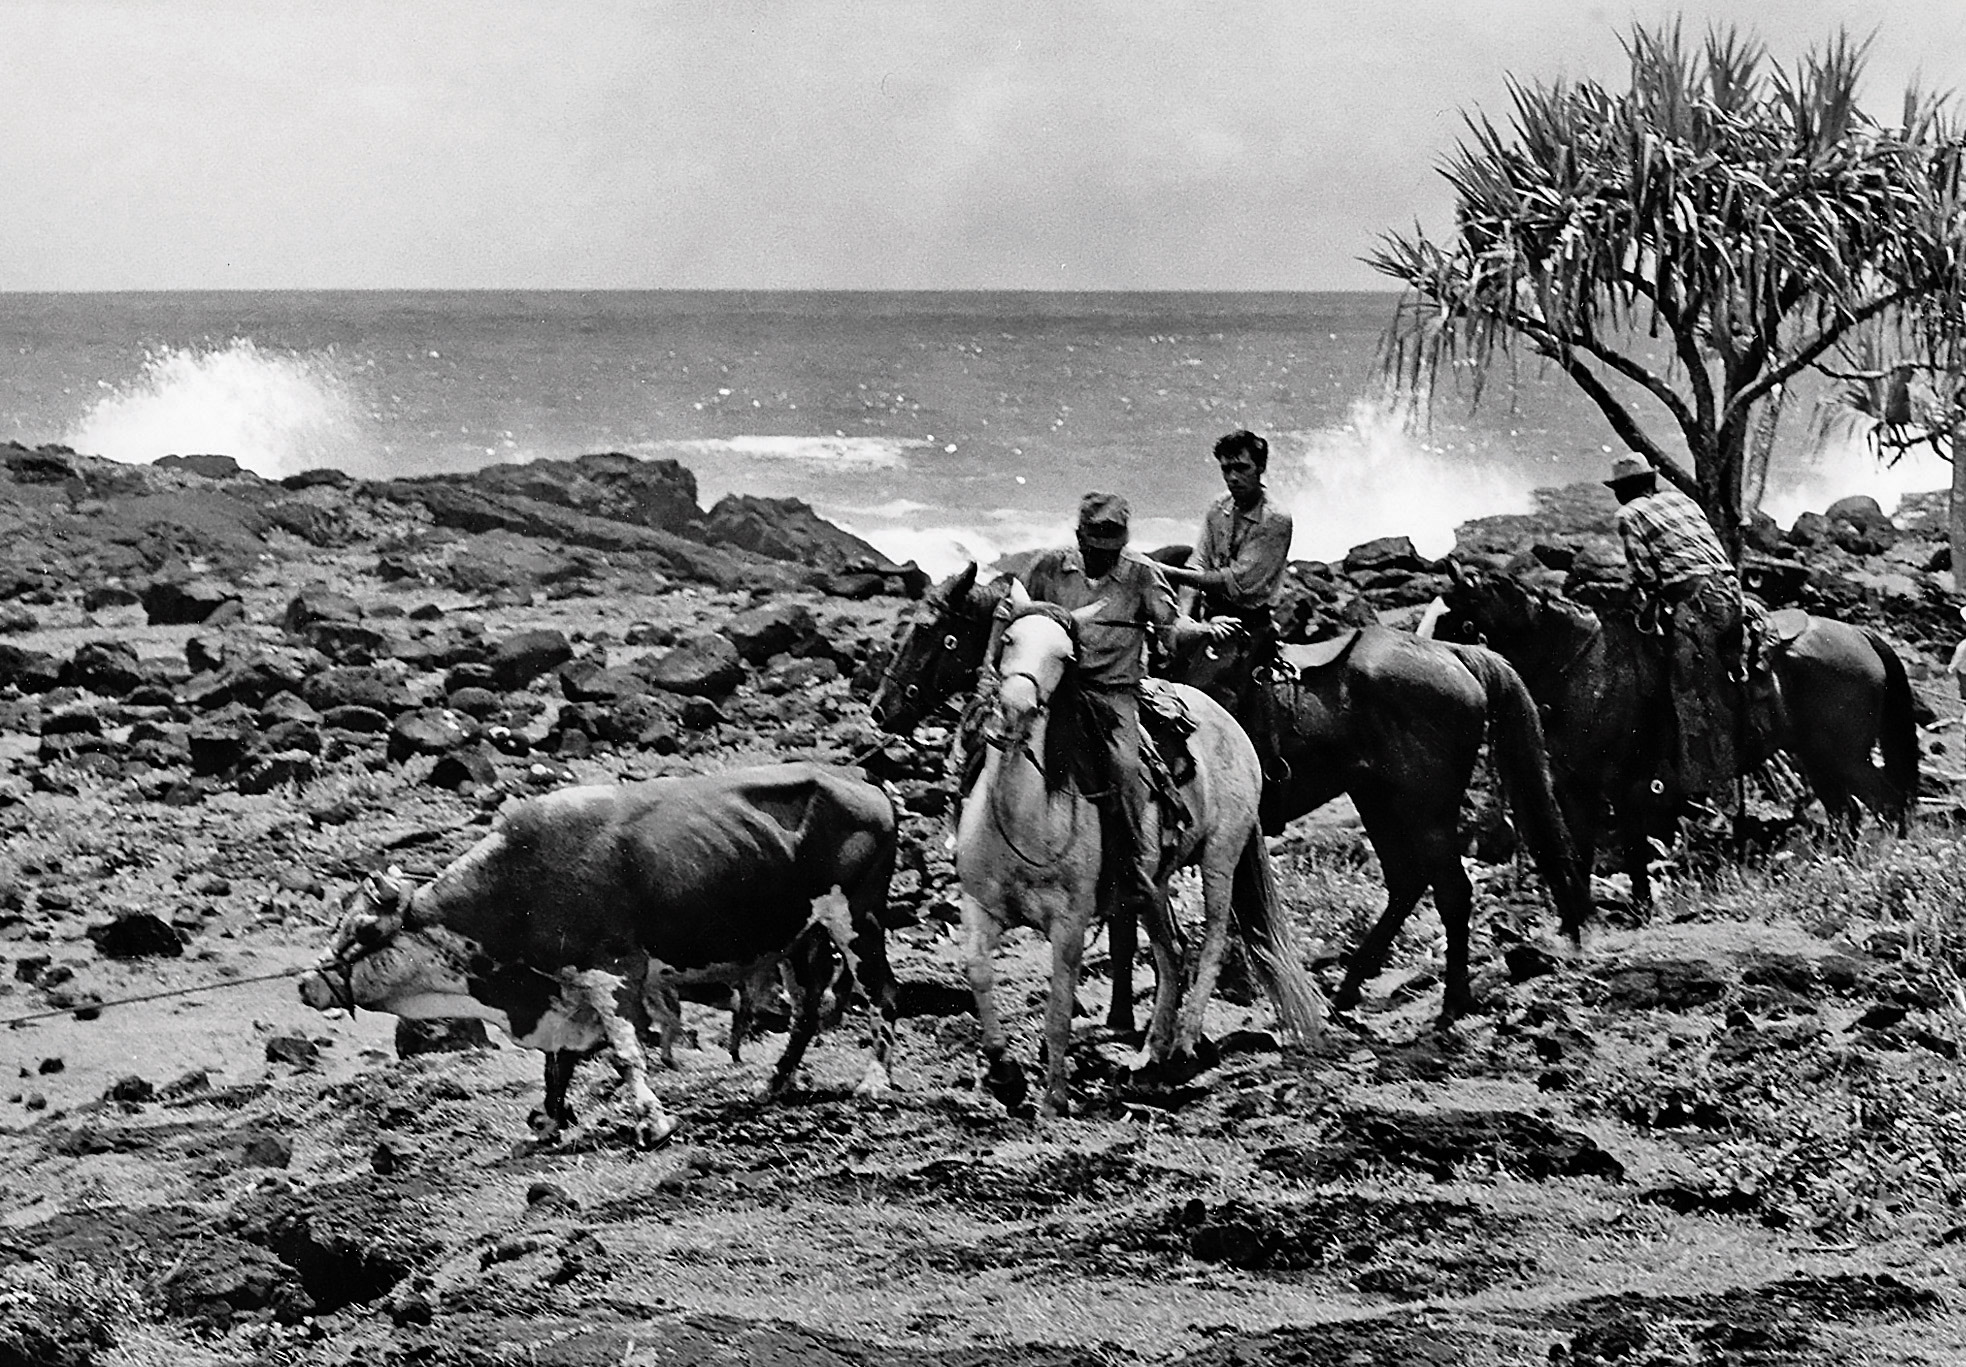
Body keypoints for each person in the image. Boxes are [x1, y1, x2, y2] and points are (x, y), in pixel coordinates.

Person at [999, 492, 1235, 923]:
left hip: (1113, 694)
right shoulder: (1048, 566)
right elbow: (1010, 615)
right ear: (1078, 538)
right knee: (992, 744)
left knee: (1125, 768)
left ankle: (1129, 868)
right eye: (1094, 548)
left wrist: (1202, 631)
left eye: (1112, 549)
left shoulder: (1142, 574)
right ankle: (974, 840)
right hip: (1053, 686)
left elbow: (1170, 629)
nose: (1103, 557)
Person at [1158, 429, 1295, 826]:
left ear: (1260, 469)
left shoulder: (1276, 520)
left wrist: (1168, 572)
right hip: (1211, 616)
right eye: (1226, 469)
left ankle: (1258, 786)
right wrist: (1184, 620)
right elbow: (1197, 566)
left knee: (1221, 697)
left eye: (1241, 468)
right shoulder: (1217, 509)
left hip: (1249, 622)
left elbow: (1238, 579)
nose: (1233, 477)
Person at [1605, 453, 1744, 803]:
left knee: (1685, 685)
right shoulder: (1684, 501)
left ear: (1624, 491)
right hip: (1732, 592)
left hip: (1698, 602)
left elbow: (1645, 576)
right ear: (1652, 483)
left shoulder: (1628, 515)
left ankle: (1702, 782)